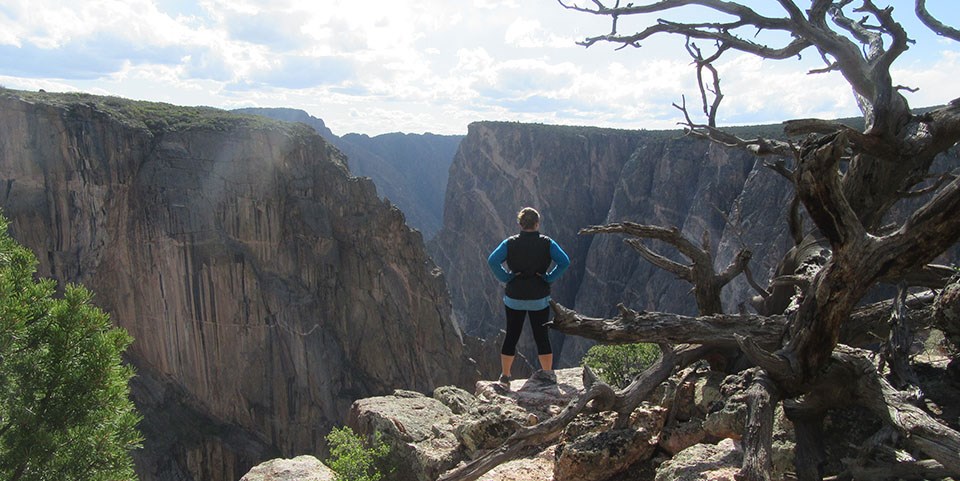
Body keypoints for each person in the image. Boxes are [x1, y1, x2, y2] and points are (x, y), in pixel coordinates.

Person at [487, 207, 570, 388]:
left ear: (520, 224)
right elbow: (564, 261)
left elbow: (492, 260)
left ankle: (505, 376)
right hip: (539, 298)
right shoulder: (547, 243)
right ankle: (548, 375)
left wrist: (506, 277)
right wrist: (548, 278)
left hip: (514, 297)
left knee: (512, 335)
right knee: (541, 336)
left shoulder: (510, 243)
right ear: (537, 223)